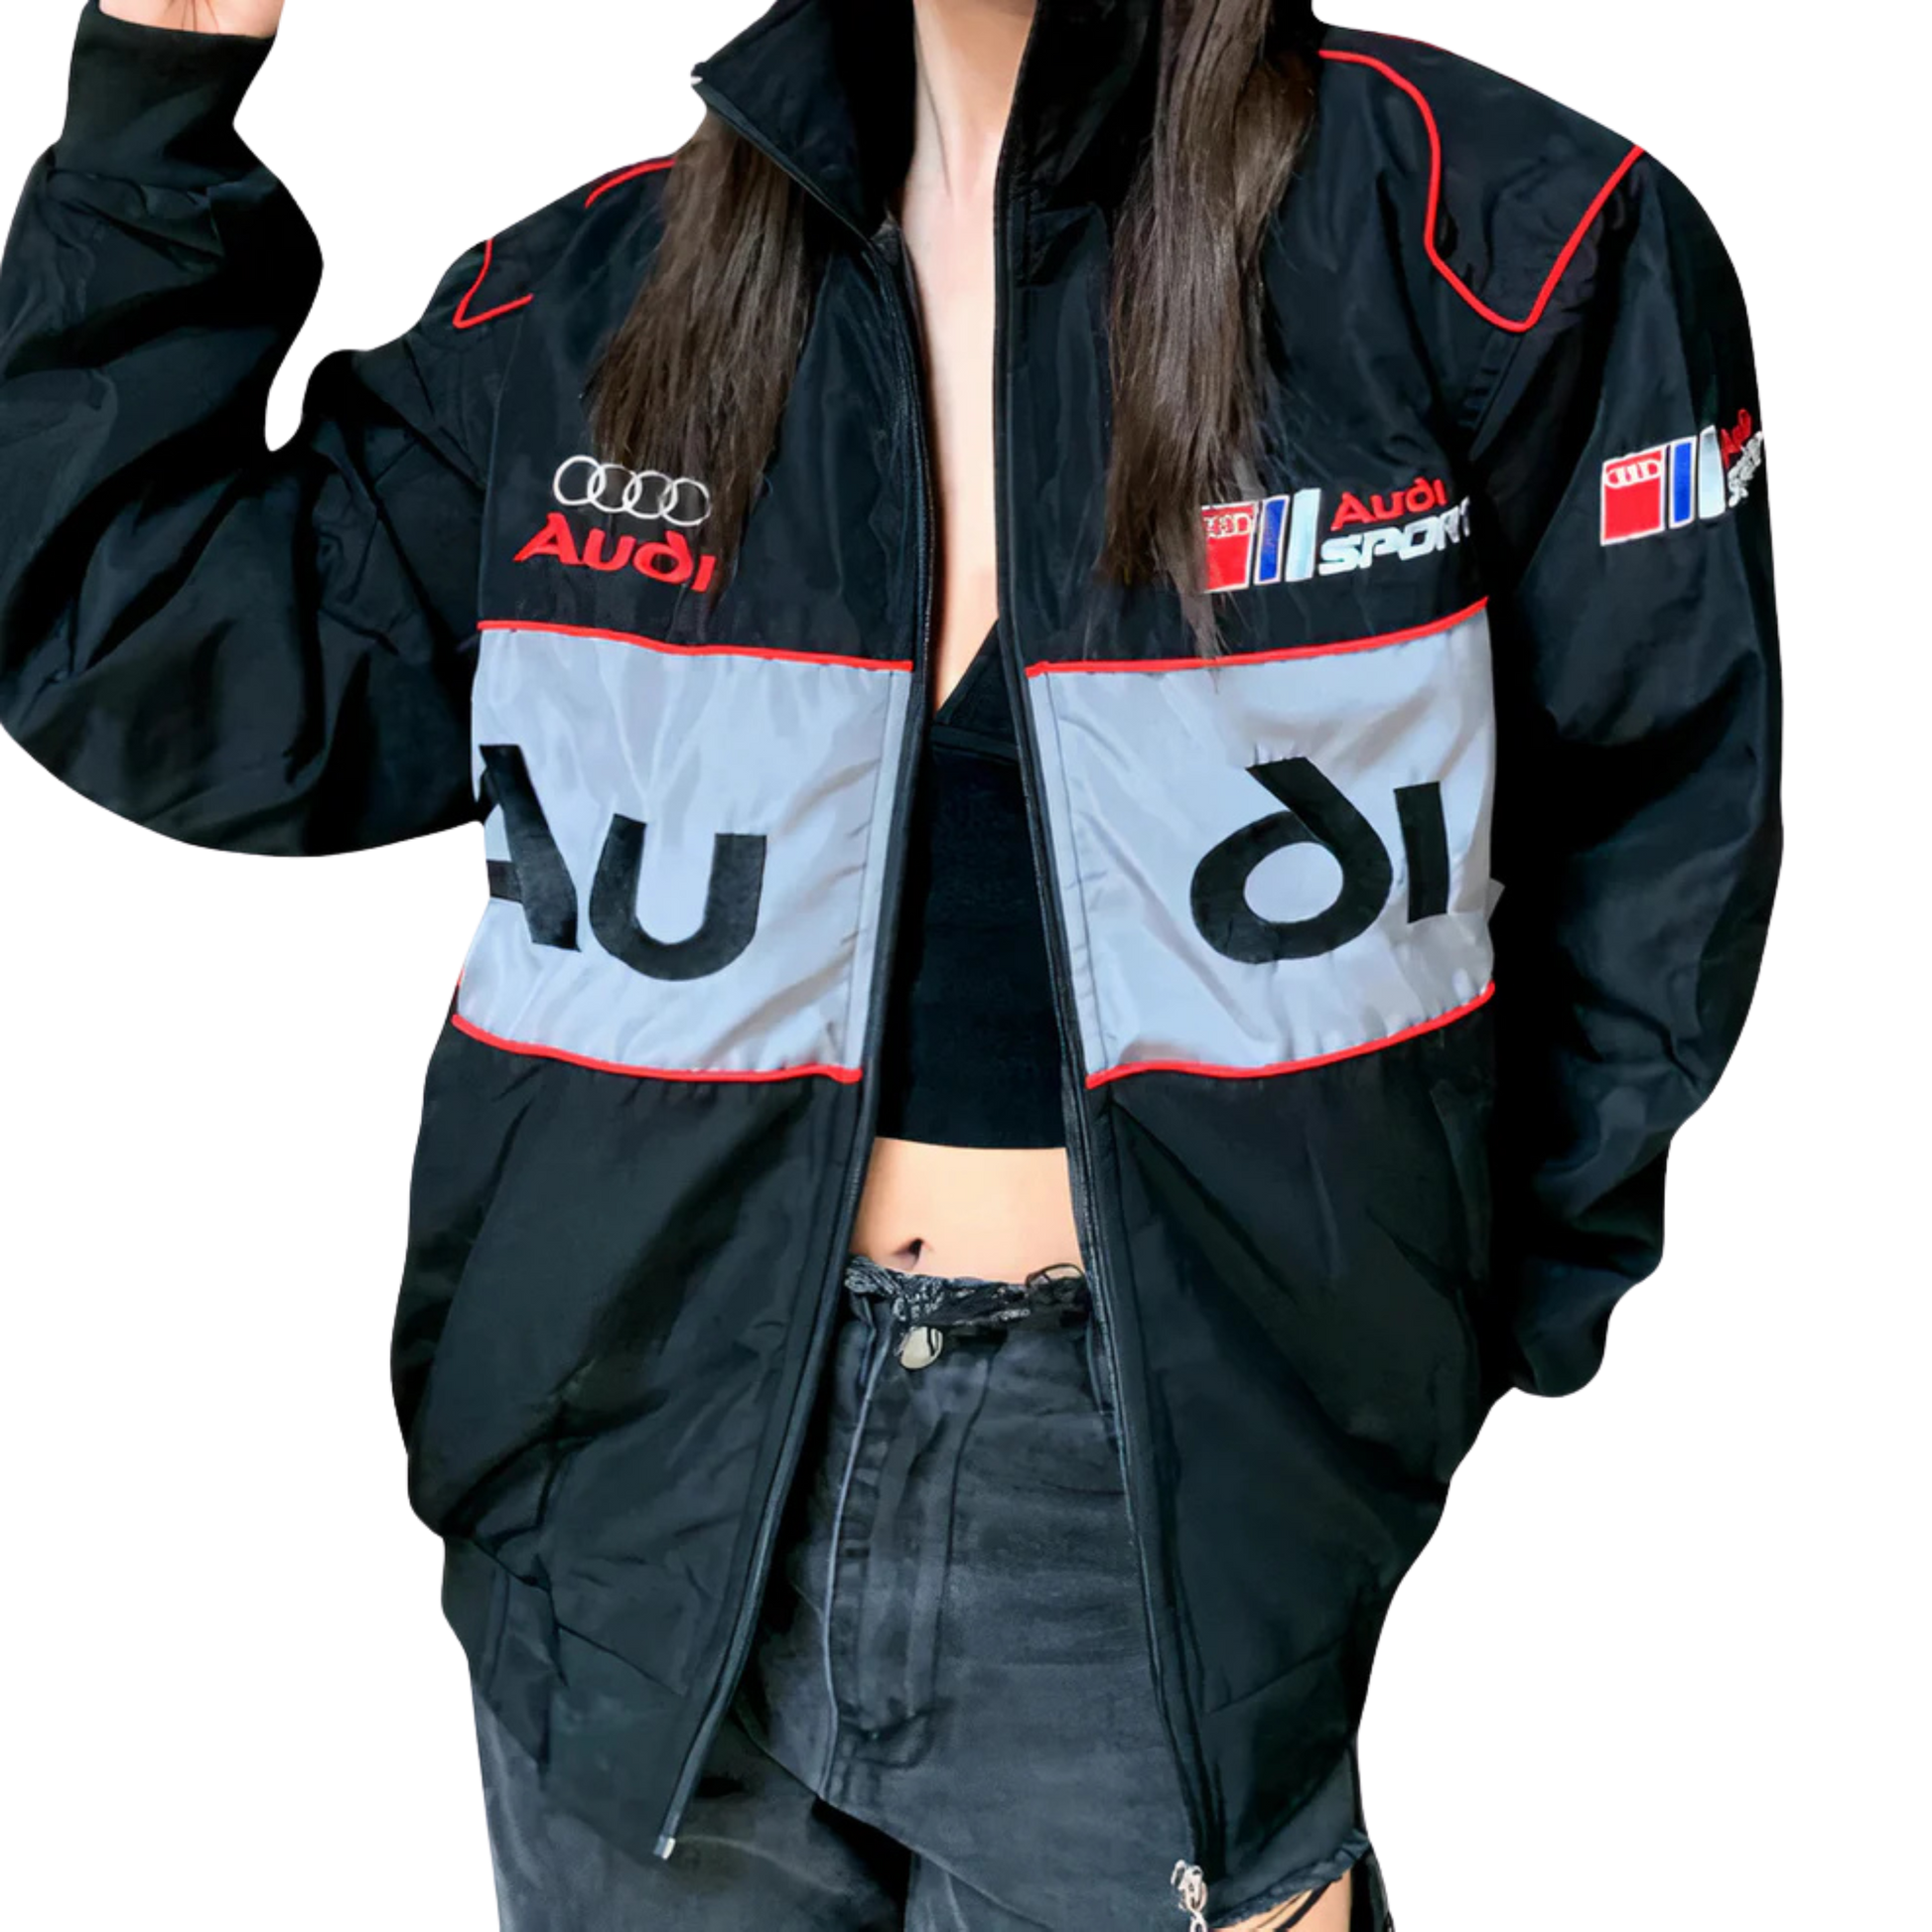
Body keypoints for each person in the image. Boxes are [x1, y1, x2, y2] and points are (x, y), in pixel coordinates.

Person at [0, 2, 1780, 1927]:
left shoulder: (1507, 229)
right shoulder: (589, 283)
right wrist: (160, 90)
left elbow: (1674, 819)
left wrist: (1445, 1349)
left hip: (1173, 1513)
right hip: (627, 1493)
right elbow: (168, 668)